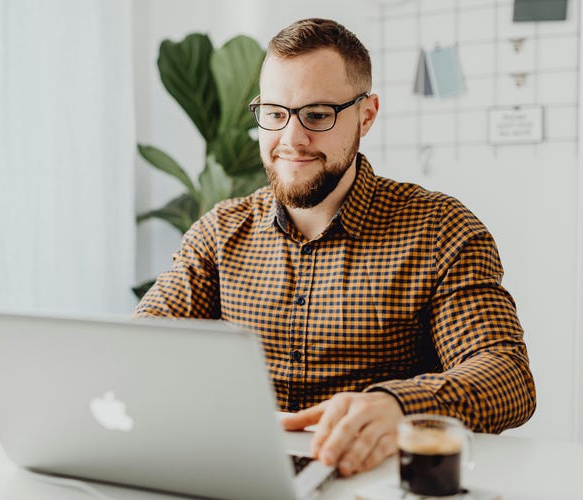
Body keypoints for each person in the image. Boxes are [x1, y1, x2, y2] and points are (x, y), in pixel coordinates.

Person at [134, 18, 536, 477]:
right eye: (274, 113)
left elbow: (506, 377)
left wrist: (396, 405)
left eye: (318, 114)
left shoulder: (441, 231)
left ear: (366, 115)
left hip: (372, 480)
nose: (291, 139)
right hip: (239, 476)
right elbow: (142, 346)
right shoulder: (218, 233)